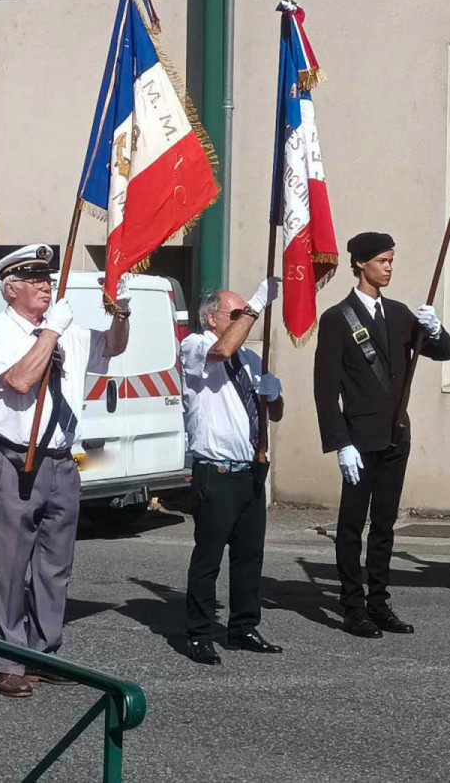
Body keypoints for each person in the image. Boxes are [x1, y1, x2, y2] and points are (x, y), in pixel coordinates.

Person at [0, 244, 129, 697]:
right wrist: (51, 333)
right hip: (14, 456)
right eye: (34, 279)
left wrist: (122, 313)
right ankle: (7, 659)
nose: (45, 285)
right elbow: (20, 381)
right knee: (9, 563)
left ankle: (43, 651)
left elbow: (111, 348)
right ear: (11, 288)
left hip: (61, 458)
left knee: (55, 564)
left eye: (47, 278)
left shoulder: (67, 330)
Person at [314, 232, 450, 638]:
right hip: (358, 439)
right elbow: (325, 389)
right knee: (351, 526)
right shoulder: (338, 318)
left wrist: (436, 328)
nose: (389, 267)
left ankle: (379, 602)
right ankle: (352, 606)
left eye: (392, 260)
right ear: (360, 264)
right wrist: (340, 442)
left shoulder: (398, 313)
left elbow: (441, 352)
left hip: (396, 435)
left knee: (386, 524)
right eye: (382, 261)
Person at [181, 279, 285, 665]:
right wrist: (257, 304)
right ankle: (198, 633)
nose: (245, 319)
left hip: (251, 471)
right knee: (208, 557)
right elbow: (223, 349)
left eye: (246, 312)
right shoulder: (196, 347)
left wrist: (273, 396)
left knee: (249, 556)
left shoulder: (252, 360)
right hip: (217, 472)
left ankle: (242, 626)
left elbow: (275, 413)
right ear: (212, 318)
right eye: (236, 313)